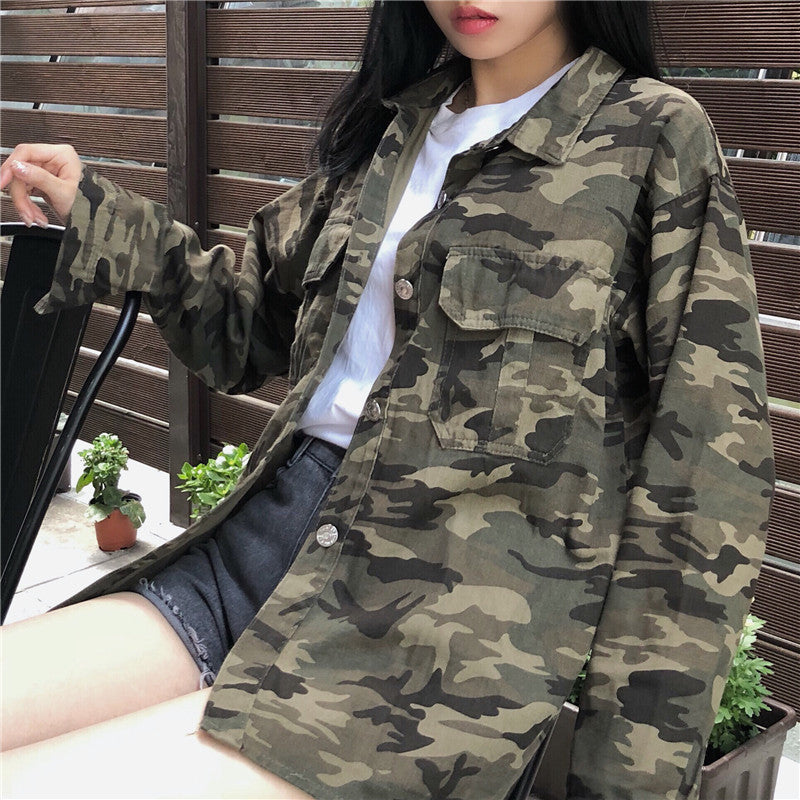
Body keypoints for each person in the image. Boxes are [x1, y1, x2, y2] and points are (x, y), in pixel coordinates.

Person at [0, 1, 774, 798]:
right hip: (260, 550)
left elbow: (704, 483)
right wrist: (99, 215)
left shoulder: (653, 138)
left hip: (427, 652)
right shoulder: (393, 128)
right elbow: (245, 327)